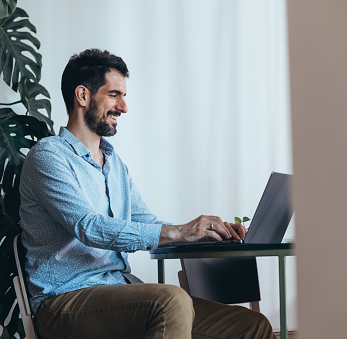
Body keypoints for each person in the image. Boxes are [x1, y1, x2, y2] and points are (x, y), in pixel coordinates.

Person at [19, 48, 276, 339]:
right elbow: (88, 226)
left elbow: (147, 222)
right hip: (64, 303)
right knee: (170, 300)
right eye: (115, 95)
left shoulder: (114, 165)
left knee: (252, 326)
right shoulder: (48, 156)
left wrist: (201, 232)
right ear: (83, 96)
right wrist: (179, 232)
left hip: (120, 291)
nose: (124, 106)